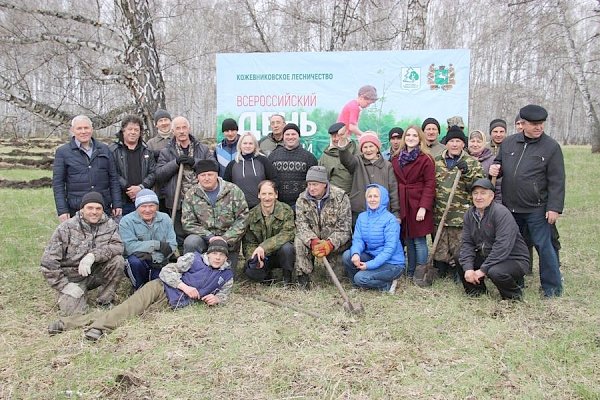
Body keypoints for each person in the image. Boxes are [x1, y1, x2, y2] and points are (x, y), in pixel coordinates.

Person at [47, 239, 234, 341]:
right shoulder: (193, 259)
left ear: (226, 258)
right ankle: (98, 329)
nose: (217, 258)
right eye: (214, 254)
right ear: (208, 253)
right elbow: (167, 271)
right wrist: (184, 286)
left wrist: (217, 300)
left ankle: (66, 324)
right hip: (160, 288)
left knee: (127, 313)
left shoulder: (226, 275)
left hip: (171, 303)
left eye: (222, 255)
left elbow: (224, 294)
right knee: (129, 309)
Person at [489, 104, 565, 297]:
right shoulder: (508, 143)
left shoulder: (551, 147)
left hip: (537, 208)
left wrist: (554, 208)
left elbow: (557, 181)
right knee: (513, 247)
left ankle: (552, 288)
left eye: (541, 124)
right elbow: (500, 164)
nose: (539, 127)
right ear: (522, 124)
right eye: (534, 124)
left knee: (544, 246)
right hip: (510, 208)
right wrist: (495, 168)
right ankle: (516, 282)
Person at [40, 192, 124, 316]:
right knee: (75, 314)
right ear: (82, 209)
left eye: (98, 208)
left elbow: (118, 246)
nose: (94, 212)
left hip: (95, 272)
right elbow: (48, 262)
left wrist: (93, 256)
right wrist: (64, 285)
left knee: (118, 261)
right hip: (71, 278)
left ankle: (105, 300)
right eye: (90, 208)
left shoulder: (110, 225)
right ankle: (71, 295)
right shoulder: (66, 228)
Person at [459, 179, 528, 300]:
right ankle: (477, 293)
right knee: (460, 257)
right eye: (475, 193)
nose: (478, 197)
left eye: (483, 193)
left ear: (492, 196)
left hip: (513, 258)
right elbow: (467, 243)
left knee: (495, 271)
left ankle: (513, 297)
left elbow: (502, 247)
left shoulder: (501, 213)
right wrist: (469, 269)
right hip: (487, 254)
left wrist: (482, 270)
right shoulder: (469, 214)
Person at [433, 125, 484, 279]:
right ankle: (441, 269)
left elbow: (479, 187)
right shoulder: (436, 162)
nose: (454, 144)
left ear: (463, 144)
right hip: (440, 213)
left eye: (458, 141)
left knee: (460, 247)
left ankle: (459, 271)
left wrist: (467, 173)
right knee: (440, 247)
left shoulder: (472, 163)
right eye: (451, 141)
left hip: (461, 215)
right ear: (446, 143)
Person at [155, 116, 215, 247]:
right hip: (177, 202)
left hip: (202, 202)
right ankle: (179, 261)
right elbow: (159, 175)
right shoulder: (166, 152)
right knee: (178, 236)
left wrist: (195, 163)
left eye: (184, 127)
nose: (181, 131)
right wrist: (175, 163)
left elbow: (213, 166)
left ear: (189, 128)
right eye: (178, 128)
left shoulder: (203, 149)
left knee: (200, 235)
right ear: (173, 131)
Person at [182, 160, 249, 270]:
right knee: (191, 241)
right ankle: (193, 270)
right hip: (204, 240)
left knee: (226, 278)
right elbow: (188, 223)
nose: (206, 178)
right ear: (197, 177)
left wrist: (225, 238)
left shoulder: (233, 191)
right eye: (203, 175)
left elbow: (243, 218)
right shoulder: (191, 194)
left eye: (210, 175)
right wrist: (210, 237)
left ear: (217, 175)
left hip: (228, 243)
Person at [52, 115, 122, 222]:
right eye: (79, 128)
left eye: (86, 128)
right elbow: (58, 184)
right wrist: (62, 210)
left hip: (102, 206)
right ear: (72, 130)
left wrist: (117, 203)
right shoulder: (63, 152)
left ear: (92, 129)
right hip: (76, 208)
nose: (83, 131)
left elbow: (113, 178)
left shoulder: (104, 149)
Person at [294, 166, 352, 288]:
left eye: (315, 184)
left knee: (334, 280)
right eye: (309, 184)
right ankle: (304, 276)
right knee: (299, 241)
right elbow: (301, 224)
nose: (311, 188)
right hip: (313, 240)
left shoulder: (341, 197)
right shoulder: (302, 198)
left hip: (334, 243)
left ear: (325, 184)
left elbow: (345, 229)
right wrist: (313, 241)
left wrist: (329, 244)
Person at [391, 125, 436, 278]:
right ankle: (410, 271)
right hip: (403, 202)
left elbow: (430, 184)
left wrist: (423, 207)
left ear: (420, 139)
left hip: (418, 203)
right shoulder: (396, 158)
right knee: (408, 238)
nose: (411, 138)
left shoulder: (426, 159)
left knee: (419, 239)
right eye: (408, 135)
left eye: (414, 136)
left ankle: (420, 272)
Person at [343, 184, 405, 292]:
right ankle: (358, 286)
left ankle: (387, 285)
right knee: (347, 256)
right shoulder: (362, 217)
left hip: (392, 263)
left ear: (383, 199)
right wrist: (356, 253)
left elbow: (389, 249)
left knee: (360, 277)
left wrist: (369, 265)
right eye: (369, 196)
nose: (372, 199)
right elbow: (358, 240)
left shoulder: (390, 220)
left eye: (376, 196)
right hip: (372, 256)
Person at [119, 189, 177, 291]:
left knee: (159, 287)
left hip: (159, 262)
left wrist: (153, 257)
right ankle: (138, 287)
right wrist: (156, 244)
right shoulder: (126, 221)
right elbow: (129, 246)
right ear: (137, 207)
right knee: (134, 262)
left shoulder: (165, 218)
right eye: (143, 206)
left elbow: (172, 245)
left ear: (157, 206)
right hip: (139, 262)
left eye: (151, 206)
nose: (147, 210)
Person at [338, 131, 400, 224]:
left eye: (371, 146)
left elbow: (393, 190)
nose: (368, 150)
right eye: (365, 147)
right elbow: (346, 159)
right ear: (361, 150)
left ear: (377, 148)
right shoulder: (356, 162)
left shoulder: (387, 166)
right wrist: (342, 142)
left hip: (382, 212)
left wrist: (396, 213)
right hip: (360, 211)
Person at [243, 180, 295, 284]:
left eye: (270, 194)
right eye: (264, 194)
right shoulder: (251, 215)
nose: (267, 198)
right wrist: (254, 258)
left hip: (280, 254)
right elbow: (248, 242)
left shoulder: (286, 210)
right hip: (262, 256)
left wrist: (263, 247)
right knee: (251, 272)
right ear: (258, 195)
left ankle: (287, 278)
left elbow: (288, 233)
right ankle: (266, 276)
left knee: (287, 248)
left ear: (276, 195)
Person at [109, 115, 156, 216]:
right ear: (123, 130)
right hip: (121, 201)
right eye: (130, 129)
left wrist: (141, 187)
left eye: (136, 130)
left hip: (143, 201)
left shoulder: (147, 150)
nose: (133, 132)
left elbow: (153, 173)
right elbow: (112, 173)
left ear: (140, 132)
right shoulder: (113, 150)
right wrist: (128, 188)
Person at [268, 123, 317, 208]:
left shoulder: (309, 157)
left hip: (302, 205)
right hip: (278, 205)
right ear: (283, 137)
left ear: (299, 136)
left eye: (293, 134)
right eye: (287, 134)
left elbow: (314, 182)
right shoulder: (273, 156)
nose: (290, 137)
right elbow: (268, 180)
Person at [224, 132, 278, 209]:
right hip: (239, 208)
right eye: (245, 143)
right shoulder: (232, 164)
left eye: (250, 143)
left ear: (255, 145)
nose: (247, 146)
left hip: (261, 208)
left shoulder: (263, 161)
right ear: (240, 145)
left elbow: (274, 180)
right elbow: (226, 187)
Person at [318, 122, 357, 194]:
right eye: (333, 136)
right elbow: (322, 179)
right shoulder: (326, 155)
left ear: (346, 134)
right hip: (335, 199)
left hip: (356, 197)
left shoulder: (357, 150)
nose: (336, 139)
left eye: (339, 135)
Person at [147, 109, 173, 212]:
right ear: (156, 124)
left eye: (166, 120)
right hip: (159, 189)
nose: (164, 123)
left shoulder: (178, 139)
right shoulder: (151, 143)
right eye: (160, 121)